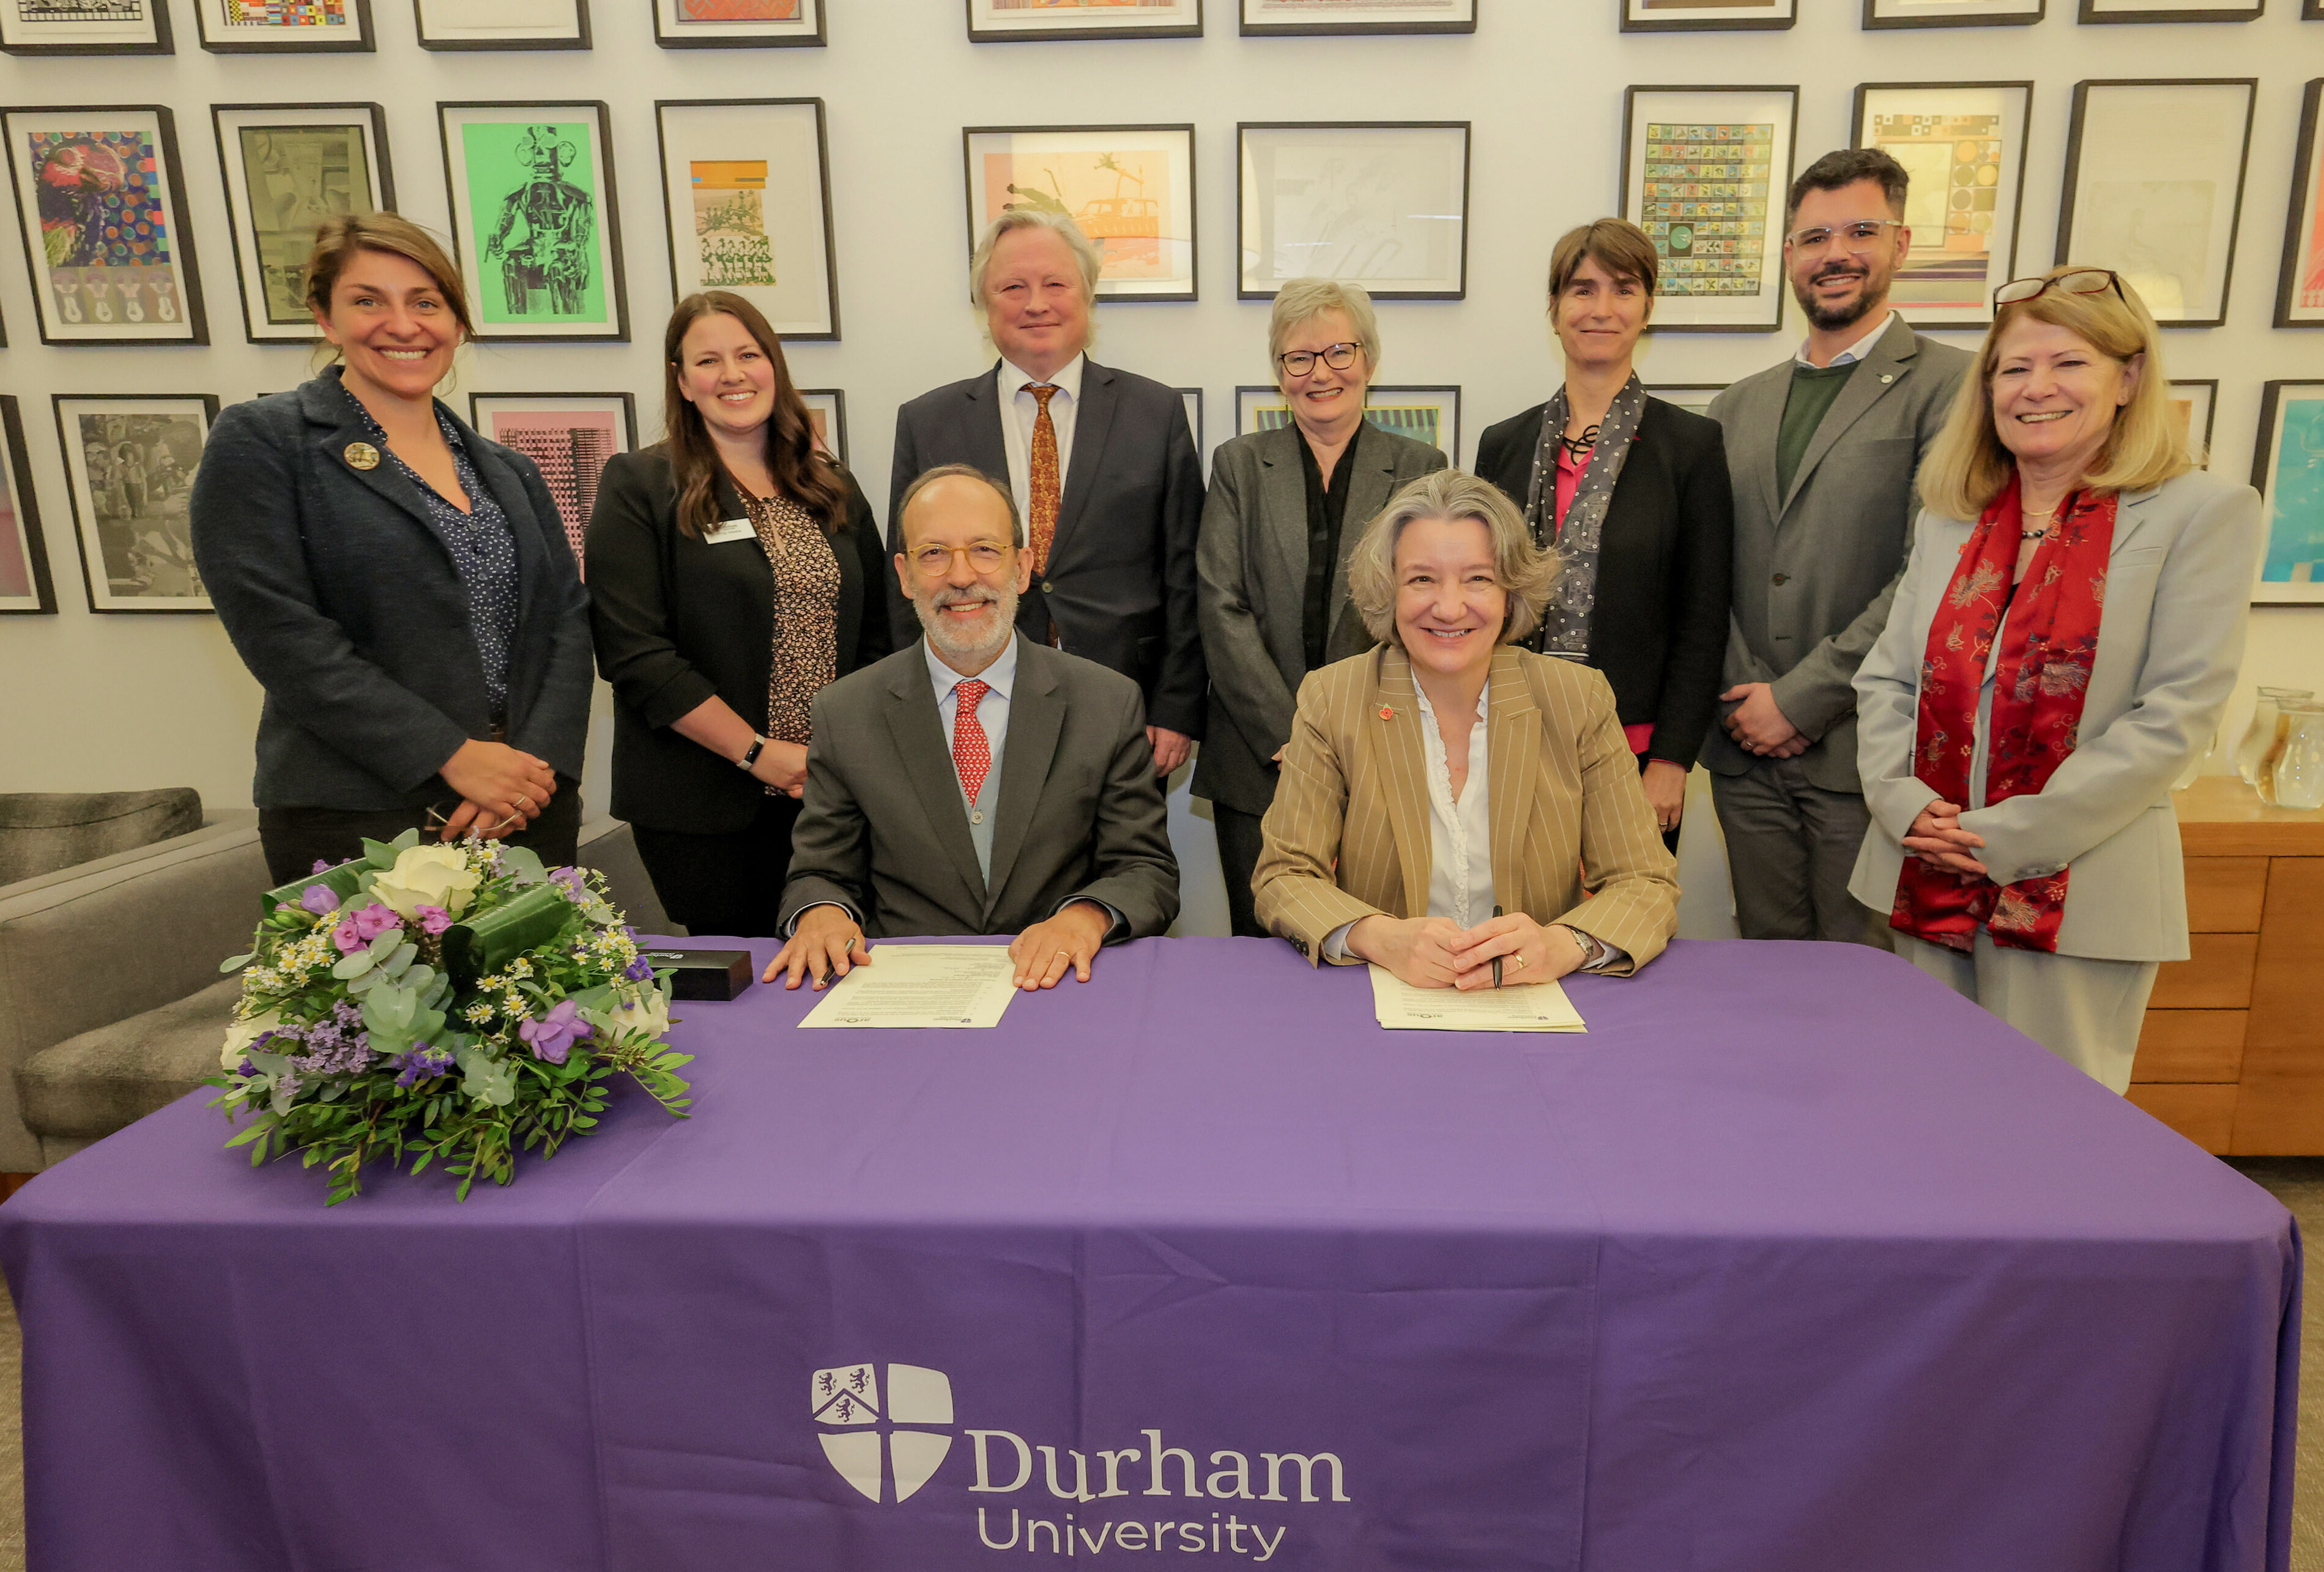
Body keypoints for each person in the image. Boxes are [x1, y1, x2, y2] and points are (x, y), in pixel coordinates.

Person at [1851, 267, 2263, 1092]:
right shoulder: (1949, 517)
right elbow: (1886, 679)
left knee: (2049, 1135)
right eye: (2011, 368)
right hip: (1920, 871)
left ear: (2128, 377)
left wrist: (2007, 835)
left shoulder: (2200, 512)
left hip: (2078, 894)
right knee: (1917, 1114)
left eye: (2067, 363)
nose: (2035, 388)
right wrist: (1901, 803)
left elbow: (2175, 712)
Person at [190, 212, 592, 887]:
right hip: (358, 813)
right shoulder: (265, 441)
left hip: (524, 812)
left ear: (456, 323)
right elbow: (282, 633)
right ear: (325, 316)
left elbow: (567, 621)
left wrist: (530, 770)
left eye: (426, 303)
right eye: (368, 300)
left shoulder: (507, 469)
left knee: (539, 998)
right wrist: (453, 757)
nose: (403, 325)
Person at [1253, 470, 1679, 988]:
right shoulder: (1332, 698)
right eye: (1421, 579)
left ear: (1511, 590)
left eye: (1477, 578)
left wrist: (1562, 945)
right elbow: (1285, 875)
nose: (1449, 607)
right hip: (1384, 995)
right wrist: (1382, 938)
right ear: (1389, 590)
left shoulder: (1577, 699)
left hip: (1537, 998)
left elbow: (1644, 880)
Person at [769, 465, 1179, 992]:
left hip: (1063, 985)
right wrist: (820, 912)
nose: (961, 577)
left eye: (985, 549)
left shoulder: (1106, 701)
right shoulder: (845, 711)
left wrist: (1086, 916)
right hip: (903, 994)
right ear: (904, 574)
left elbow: (1145, 869)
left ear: (1022, 566)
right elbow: (819, 871)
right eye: (934, 553)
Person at [1703, 147, 1973, 946]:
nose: (1833, 254)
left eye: (1858, 231)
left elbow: (1932, 572)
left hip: (1868, 754)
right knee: (1766, 981)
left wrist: (1800, 699)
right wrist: (1744, 691)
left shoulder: (1953, 388)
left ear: (1901, 242)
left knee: (1869, 991)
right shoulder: (1734, 406)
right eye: (1811, 238)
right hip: (1742, 752)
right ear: (1788, 255)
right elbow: (1703, 569)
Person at [585, 291, 893, 938]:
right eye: (708, 360)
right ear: (681, 381)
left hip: (830, 795)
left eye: (748, 354)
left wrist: (840, 757)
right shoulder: (641, 484)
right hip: (704, 803)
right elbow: (635, 655)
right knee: (744, 986)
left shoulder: (830, 484)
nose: (732, 374)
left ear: (773, 366)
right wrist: (758, 753)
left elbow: (877, 636)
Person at [888, 209, 1205, 776]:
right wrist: (912, 709)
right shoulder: (928, 422)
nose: (1036, 303)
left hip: (1121, 700)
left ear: (1087, 295)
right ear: (985, 305)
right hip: (972, 697)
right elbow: (909, 576)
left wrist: (1176, 706)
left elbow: (1185, 573)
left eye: (1055, 284)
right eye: (1013, 287)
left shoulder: (1155, 413)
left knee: (1123, 859)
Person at [1195, 278, 1447, 936]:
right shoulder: (1239, 466)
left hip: (1380, 752)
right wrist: (1294, 738)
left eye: (1339, 351)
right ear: (1279, 374)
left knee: (1377, 944)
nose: (1321, 373)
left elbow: (1421, 611)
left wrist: (1345, 741)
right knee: (1262, 950)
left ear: (1368, 359)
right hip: (1256, 761)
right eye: (1299, 358)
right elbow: (1220, 605)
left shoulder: (1422, 466)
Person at [1474, 218, 1734, 850]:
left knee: (1620, 936)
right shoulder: (1502, 445)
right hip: (1512, 736)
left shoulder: (1691, 446)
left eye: (1623, 289)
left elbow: (1703, 617)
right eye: (1582, 289)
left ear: (1646, 307)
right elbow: (1480, 602)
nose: (1601, 308)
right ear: (1555, 308)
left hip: (1637, 750)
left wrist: (1672, 759)